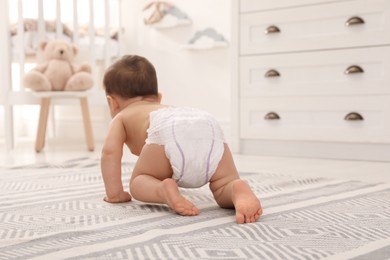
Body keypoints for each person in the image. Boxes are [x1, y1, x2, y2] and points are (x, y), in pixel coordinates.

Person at [101, 55, 262, 224]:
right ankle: (236, 188)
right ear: (158, 97)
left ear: (112, 102)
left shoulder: (121, 116)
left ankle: (162, 190)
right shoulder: (166, 109)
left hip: (166, 131)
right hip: (206, 124)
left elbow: (109, 152)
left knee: (139, 183)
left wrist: (115, 193)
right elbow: (183, 133)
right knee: (223, 185)